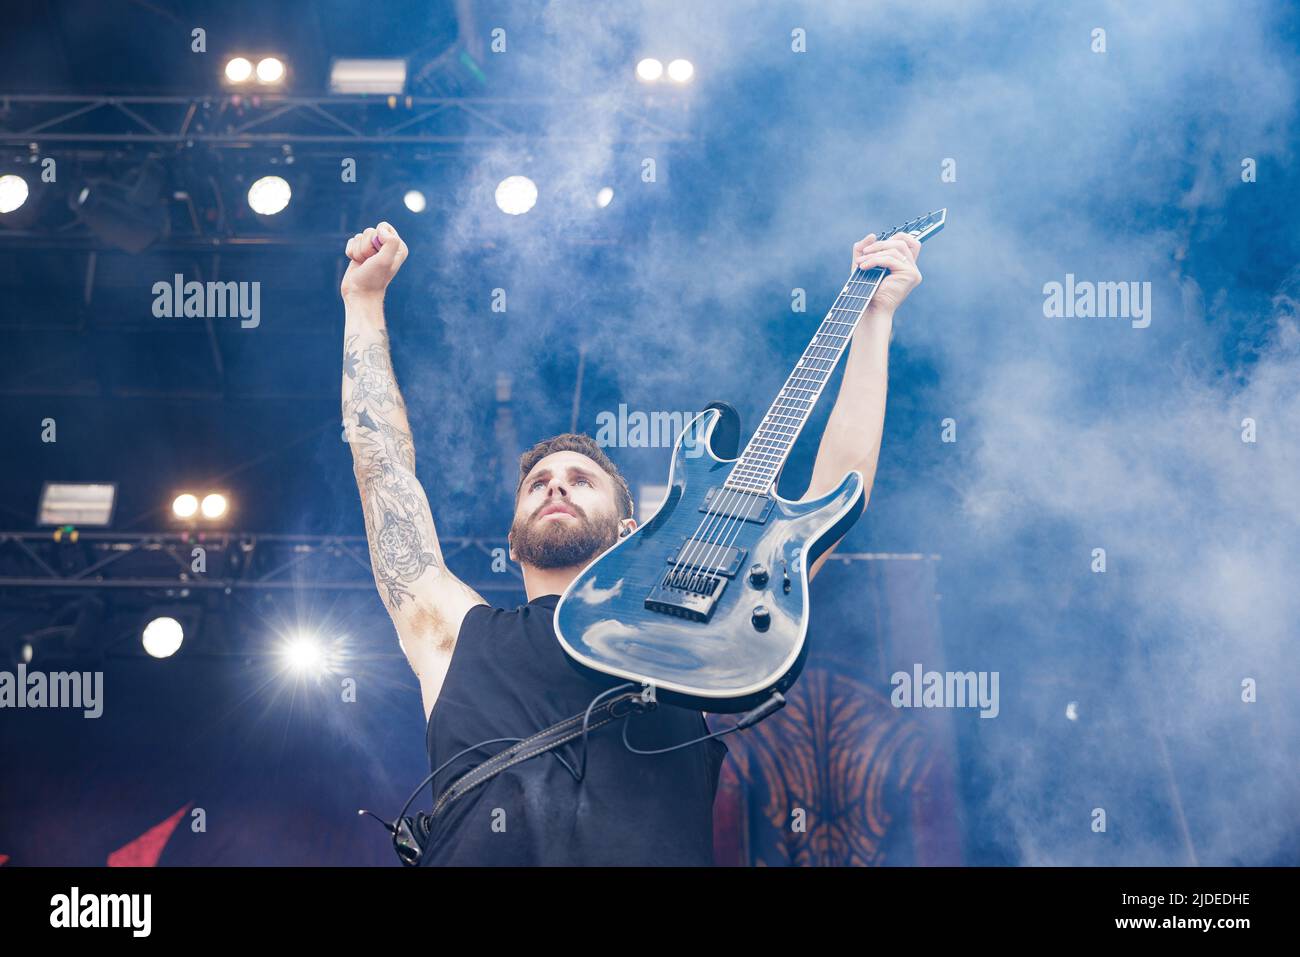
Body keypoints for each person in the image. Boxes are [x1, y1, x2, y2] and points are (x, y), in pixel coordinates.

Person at [339, 220, 923, 865]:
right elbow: (382, 470)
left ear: (629, 530)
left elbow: (833, 494)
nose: (555, 488)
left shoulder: (693, 625)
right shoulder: (453, 634)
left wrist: (872, 319)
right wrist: (363, 303)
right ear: (511, 540)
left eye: (580, 479)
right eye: (537, 484)